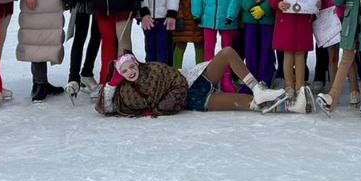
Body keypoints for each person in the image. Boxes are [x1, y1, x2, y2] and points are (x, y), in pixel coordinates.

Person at [95, 49, 303, 116]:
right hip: (194, 100)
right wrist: (112, 84)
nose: (130, 72)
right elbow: (105, 107)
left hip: (195, 80)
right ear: (119, 75)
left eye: (132, 66)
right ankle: (293, 107)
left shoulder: (153, 68)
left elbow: (175, 77)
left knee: (228, 52)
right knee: (246, 103)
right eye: (124, 71)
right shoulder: (124, 93)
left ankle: (258, 88)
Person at [271, 0, 317, 105]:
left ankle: (300, 86)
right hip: (286, 21)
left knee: (301, 56)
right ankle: (289, 85)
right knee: (288, 55)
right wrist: (279, 3)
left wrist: (316, 3)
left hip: (303, 22)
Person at [315, 0, 348, 92]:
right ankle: (333, 85)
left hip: (346, 22)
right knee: (332, 56)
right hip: (331, 23)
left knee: (347, 56)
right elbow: (321, 1)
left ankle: (351, 86)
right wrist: (317, 4)